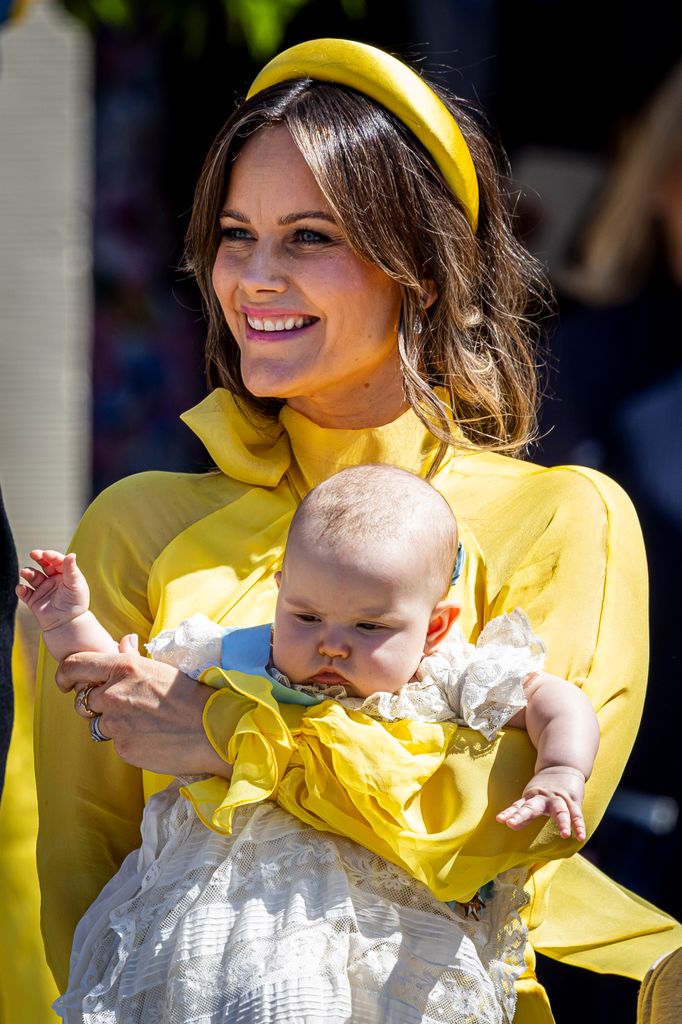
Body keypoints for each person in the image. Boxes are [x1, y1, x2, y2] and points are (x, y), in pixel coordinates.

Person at [34, 38, 681, 1023]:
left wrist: (225, 729)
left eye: (308, 237)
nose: (252, 277)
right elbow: (69, 866)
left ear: (420, 268)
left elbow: (499, 814)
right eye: (234, 234)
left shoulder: (562, 518)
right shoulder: (135, 525)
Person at [21, 464, 600, 1021]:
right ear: (279, 593)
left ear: (436, 627)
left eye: (369, 627)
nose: (332, 645)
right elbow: (116, 680)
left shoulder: (444, 677)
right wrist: (66, 621)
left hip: (382, 938)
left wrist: (561, 769)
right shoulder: (234, 660)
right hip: (229, 926)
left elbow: (557, 700)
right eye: (305, 616)